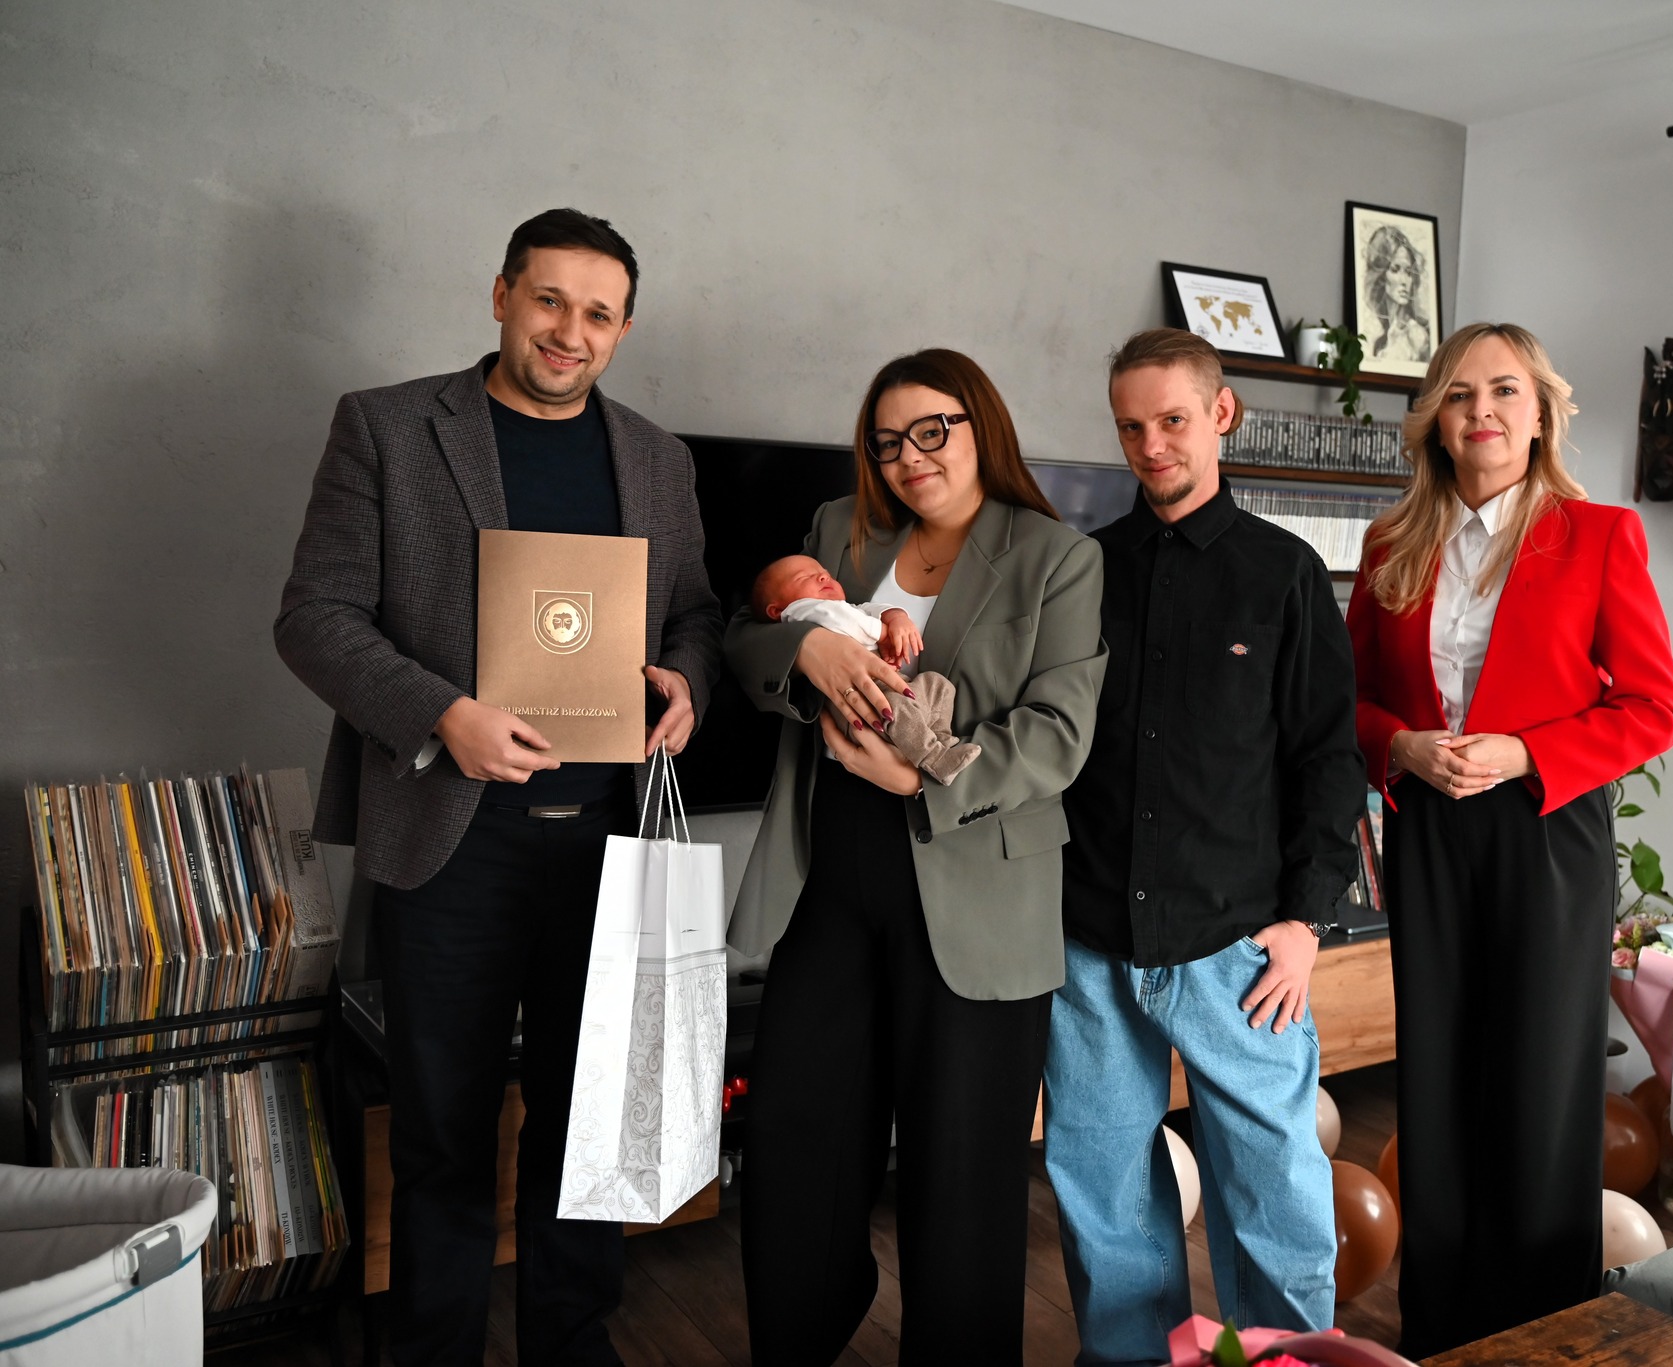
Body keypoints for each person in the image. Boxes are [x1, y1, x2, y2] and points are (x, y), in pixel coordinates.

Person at [274, 208, 722, 1366]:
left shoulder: (658, 457)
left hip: (609, 847)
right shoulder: (386, 426)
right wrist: (443, 714)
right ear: (501, 296)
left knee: (593, 1129)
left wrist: (687, 679)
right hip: (450, 839)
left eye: (598, 313)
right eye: (549, 300)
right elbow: (314, 616)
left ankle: (570, 1344)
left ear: (623, 329)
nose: (570, 330)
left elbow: (694, 612)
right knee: (442, 1132)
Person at [724, 349, 1106, 1366]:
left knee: (960, 1178)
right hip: (830, 874)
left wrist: (921, 779)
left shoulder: (1057, 555)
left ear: (981, 424)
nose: (909, 456)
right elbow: (745, 640)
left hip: (976, 874)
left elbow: (1059, 733)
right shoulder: (836, 531)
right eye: (888, 440)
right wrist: (804, 651)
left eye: (932, 429)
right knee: (795, 1145)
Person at [1345, 322, 1673, 1356]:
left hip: (1546, 831)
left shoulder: (1600, 535)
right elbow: (1344, 700)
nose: (1480, 411)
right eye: (1457, 393)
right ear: (1435, 421)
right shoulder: (1390, 543)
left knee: (1538, 1083)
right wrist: (1400, 745)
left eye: (1502, 390)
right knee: (1438, 1077)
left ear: (1539, 414)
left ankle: (1545, 1334)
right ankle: (1440, 1326)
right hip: (1427, 829)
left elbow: (1653, 708)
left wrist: (1527, 752)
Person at [1045, 328, 1368, 1366]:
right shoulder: (1082, 570)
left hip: (1239, 950)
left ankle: (1282, 1365)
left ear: (1221, 413)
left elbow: (1326, 759)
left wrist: (1306, 922)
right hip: (1090, 943)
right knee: (1104, 1203)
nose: (1151, 445)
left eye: (1172, 420)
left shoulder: (1285, 574)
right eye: (1130, 427)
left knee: (1275, 1199)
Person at [749, 553, 982, 783]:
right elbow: (841, 618)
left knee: (938, 685)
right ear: (776, 610)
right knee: (897, 706)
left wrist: (896, 616)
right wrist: (883, 632)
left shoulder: (846, 608)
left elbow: (867, 608)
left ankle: (941, 742)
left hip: (890, 690)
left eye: (825, 574)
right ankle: (935, 759)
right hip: (862, 702)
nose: (822, 577)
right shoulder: (798, 612)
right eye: (804, 577)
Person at [1362, 224, 1432, 363]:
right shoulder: (1376, 334)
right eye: (1395, 269)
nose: (1404, 281)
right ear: (1381, 276)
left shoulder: (1417, 335)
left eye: (1408, 272)